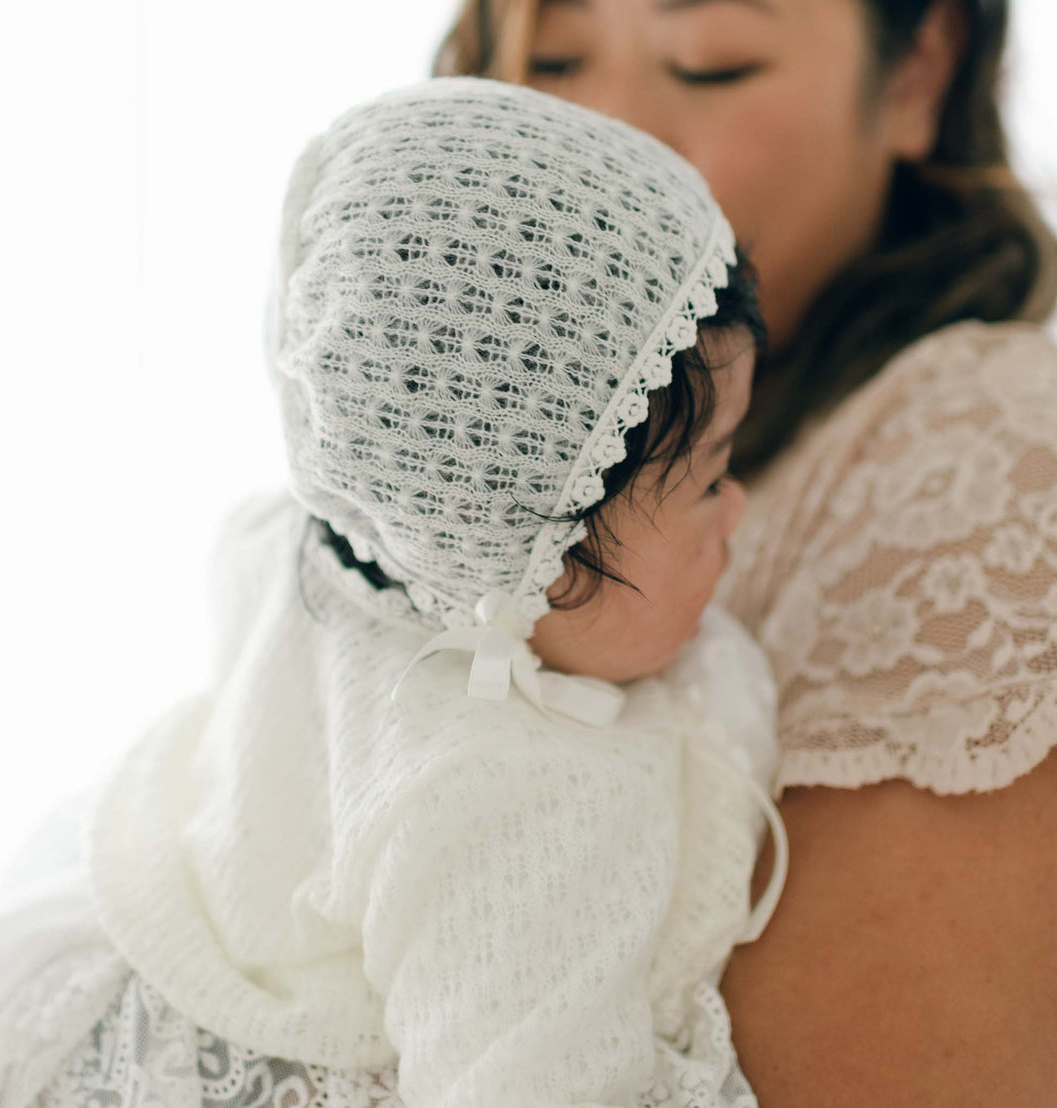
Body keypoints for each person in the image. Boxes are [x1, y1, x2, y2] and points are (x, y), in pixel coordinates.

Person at [0, 79, 789, 1108]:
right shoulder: (517, 810)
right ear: (541, 557)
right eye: (707, 479)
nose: (738, 508)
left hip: (137, 917)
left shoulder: (323, 539)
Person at [434, 0, 1057, 1102]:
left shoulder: (986, 449)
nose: (605, 140)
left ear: (917, 70)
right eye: (556, 57)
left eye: (709, 61)